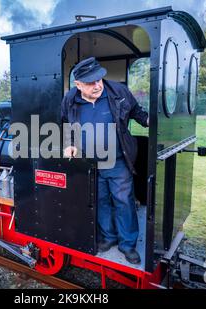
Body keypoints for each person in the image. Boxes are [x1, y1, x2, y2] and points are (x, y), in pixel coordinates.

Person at [61, 57, 149, 264]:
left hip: (117, 160)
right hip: (89, 163)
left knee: (123, 201)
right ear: (78, 84)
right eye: (91, 82)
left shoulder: (118, 91)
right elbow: (66, 123)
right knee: (100, 201)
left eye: (99, 78)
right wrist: (69, 144)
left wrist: (148, 121)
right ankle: (108, 237)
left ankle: (128, 245)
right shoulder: (70, 99)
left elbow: (137, 112)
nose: (97, 84)